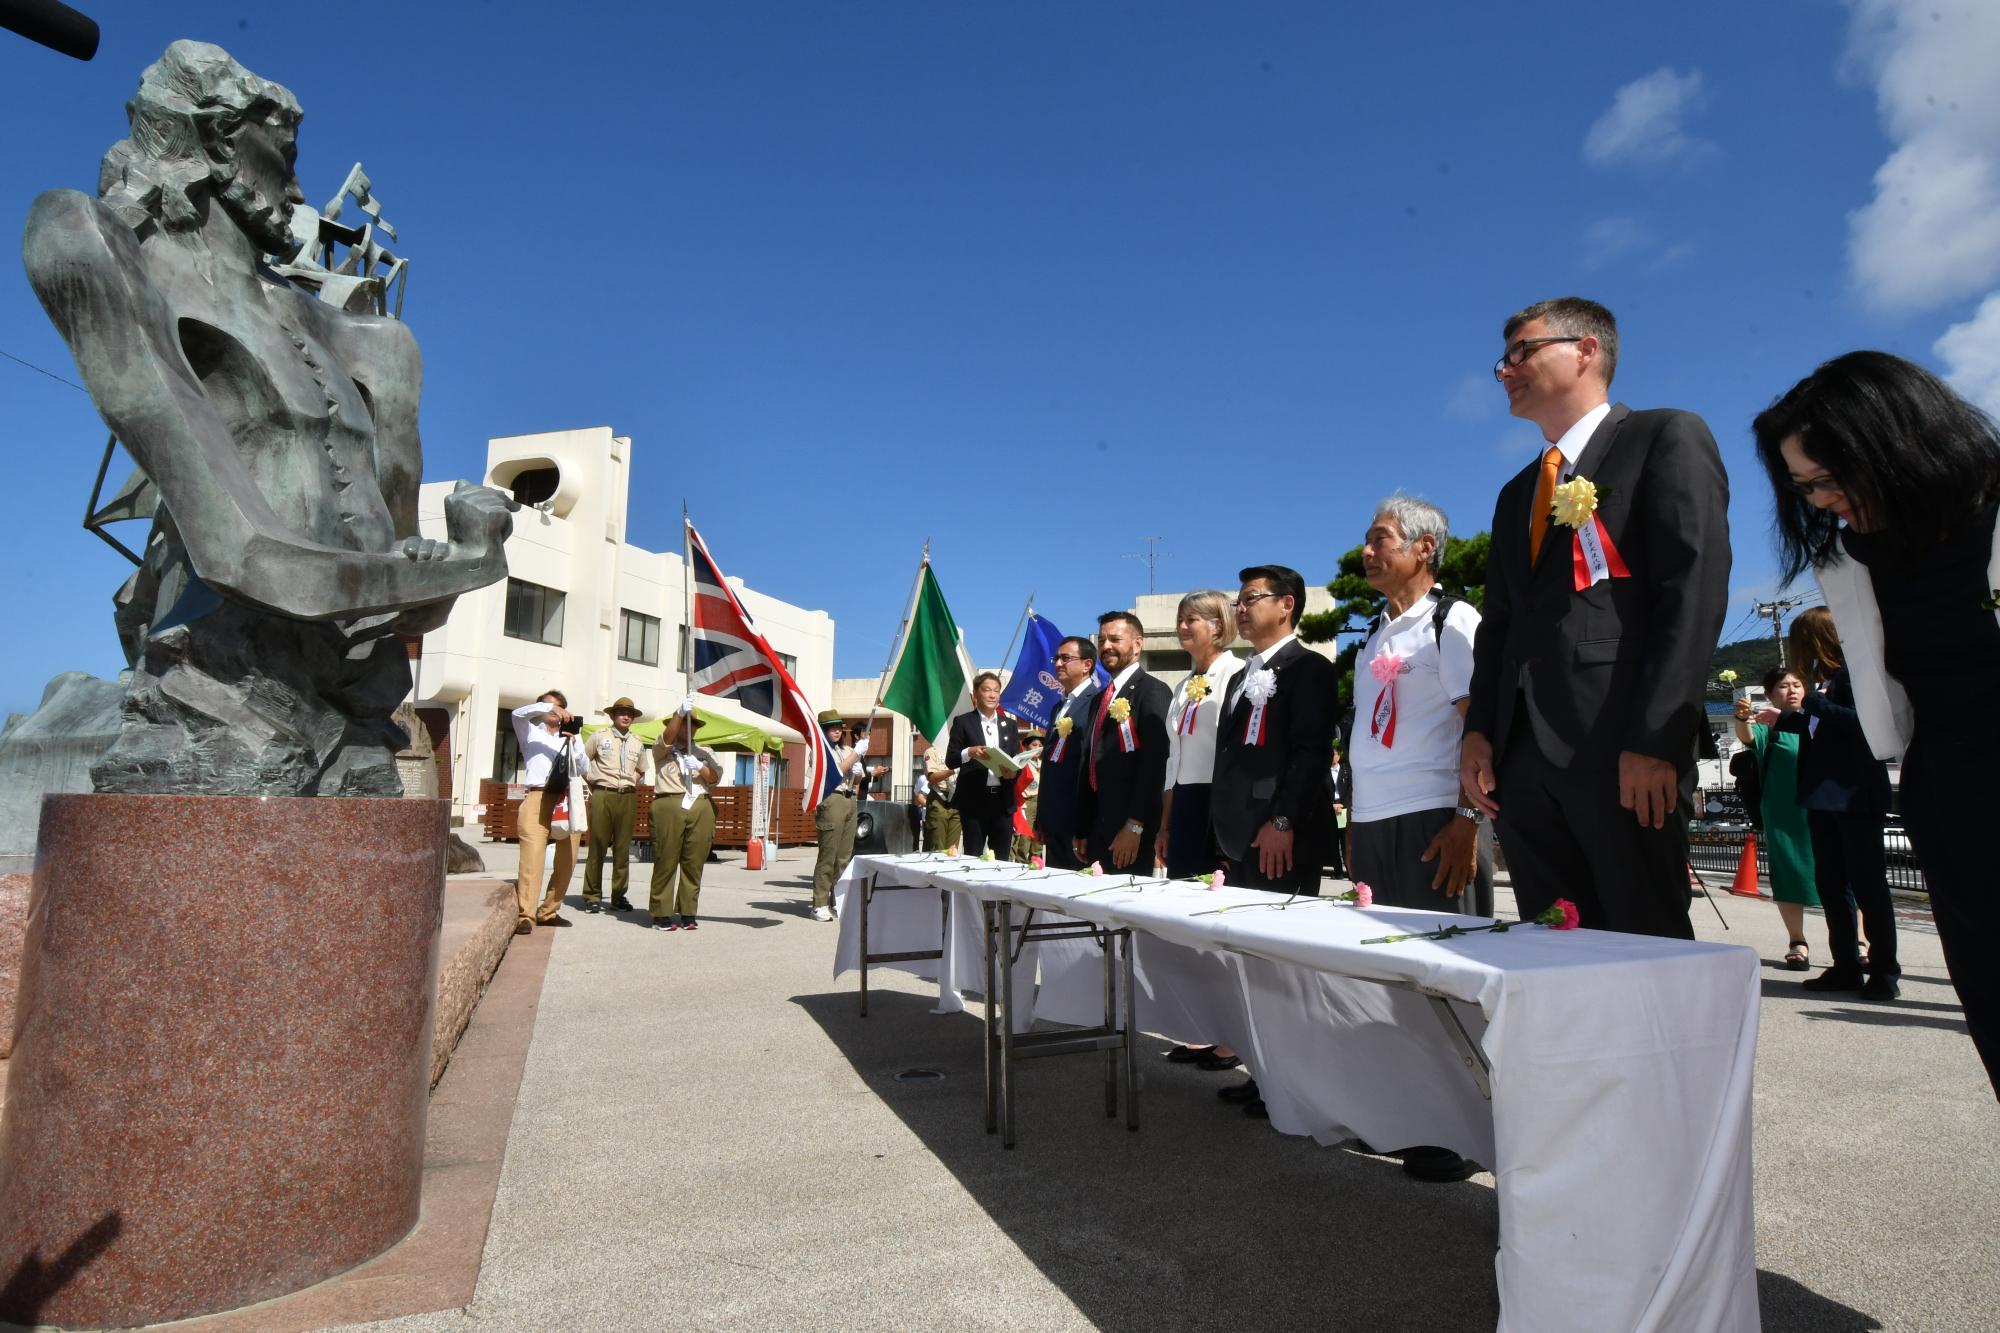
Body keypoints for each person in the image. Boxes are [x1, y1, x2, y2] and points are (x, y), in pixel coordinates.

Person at [24, 41, 516, 796]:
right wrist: (472, 559)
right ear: (218, 142)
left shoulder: (371, 341)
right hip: (227, 664)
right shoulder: (109, 255)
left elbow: (406, 599)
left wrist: (452, 563)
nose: (295, 182)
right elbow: (241, 552)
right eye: (281, 151)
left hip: (350, 681)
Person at [1752, 351, 2000, 1092]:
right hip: (1952, 794)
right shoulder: (1851, 555)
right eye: (1804, 488)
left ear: (1895, 442)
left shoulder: (1988, 510)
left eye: (1829, 477)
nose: (1820, 500)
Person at [1461, 297, 1731, 939]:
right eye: (1503, 360)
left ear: (1586, 349)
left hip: (1621, 752)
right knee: (1553, 943)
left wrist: (1656, 740)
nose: (1506, 371)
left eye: (1521, 352)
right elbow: (1499, 623)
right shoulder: (1516, 492)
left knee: (1644, 939)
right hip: (1522, 761)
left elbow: (1691, 592)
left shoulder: (1663, 437)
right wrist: (1479, 733)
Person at [1209, 566, 1342, 1119]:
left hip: (1279, 837)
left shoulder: (1309, 668)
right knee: (1249, 965)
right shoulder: (1242, 676)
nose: (1239, 609)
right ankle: (1263, 1071)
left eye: (1250, 599)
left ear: (1286, 605)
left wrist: (1283, 820)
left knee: (1282, 967)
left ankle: (1297, 1084)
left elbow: (1311, 753)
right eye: (1238, 600)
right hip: (1238, 837)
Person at [1348, 496, 1493, 921]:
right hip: (1373, 820)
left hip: (1435, 817)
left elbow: (1479, 727)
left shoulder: (1451, 619)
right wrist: (1356, 823)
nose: (1367, 552)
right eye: (1366, 542)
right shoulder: (1372, 636)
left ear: (1424, 547)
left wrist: (1467, 820)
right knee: (1385, 964)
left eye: (1381, 540)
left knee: (1446, 964)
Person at [1762, 609, 1900, 998]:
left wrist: (1813, 704)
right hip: (1821, 796)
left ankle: (1885, 971)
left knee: (1869, 886)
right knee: (1831, 885)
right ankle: (1845, 966)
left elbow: (1862, 724)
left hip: (1855, 794)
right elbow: (1820, 729)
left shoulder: (1855, 675)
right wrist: (1786, 718)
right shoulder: (1820, 682)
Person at [1732, 667, 1819, 970]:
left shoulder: (1821, 719)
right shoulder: (1769, 725)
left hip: (1825, 810)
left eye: (1797, 684)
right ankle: (1798, 940)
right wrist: (1742, 718)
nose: (1792, 690)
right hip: (1784, 813)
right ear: (1769, 694)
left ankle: (1858, 941)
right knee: (1788, 875)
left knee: (1845, 875)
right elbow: (1746, 736)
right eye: (1783, 686)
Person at [1156, 590, 1244, 880]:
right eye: (1179, 620)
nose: (1181, 627)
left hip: (1221, 801)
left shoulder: (1239, 674)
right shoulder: (1182, 686)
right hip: (1184, 802)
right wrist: (1165, 825)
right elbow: (1174, 759)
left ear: (1217, 625)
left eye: (1190, 619)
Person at [1073, 613, 1171, 871]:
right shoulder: (1099, 699)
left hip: (1129, 831)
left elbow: (1154, 764)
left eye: (1115, 639)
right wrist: (1083, 827)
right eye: (1102, 639)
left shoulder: (1152, 691)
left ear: (1138, 644)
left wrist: (1135, 825)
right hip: (1097, 829)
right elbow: (1091, 760)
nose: (1106, 646)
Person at [649, 701, 722, 931]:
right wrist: (679, 714)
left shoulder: (705, 751)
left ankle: (688, 911)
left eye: (693, 725)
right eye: (684, 723)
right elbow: (667, 737)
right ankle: (661, 912)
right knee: (666, 859)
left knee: (694, 862)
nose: (689, 728)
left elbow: (714, 777)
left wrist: (700, 766)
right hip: (670, 801)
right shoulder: (663, 748)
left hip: (700, 803)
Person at [510, 691, 580, 935]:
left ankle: (549, 910)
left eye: (560, 706)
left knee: (568, 857)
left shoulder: (572, 736)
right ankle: (526, 914)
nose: (556, 710)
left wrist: (574, 745)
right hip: (538, 796)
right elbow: (517, 714)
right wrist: (545, 706)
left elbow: (584, 767)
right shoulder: (530, 732)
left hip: (566, 798)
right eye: (551, 705)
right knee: (532, 855)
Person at [1033, 636, 1101, 870]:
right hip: (1054, 820)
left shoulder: (1098, 702)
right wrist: (1042, 817)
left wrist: (1084, 824)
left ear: (1087, 665)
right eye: (1057, 658)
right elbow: (1050, 766)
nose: (1058, 663)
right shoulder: (1058, 707)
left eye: (1066, 658)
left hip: (1078, 821)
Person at [810, 713, 883, 921]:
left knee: (844, 855)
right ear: (823, 731)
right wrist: (855, 756)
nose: (837, 730)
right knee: (828, 854)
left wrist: (859, 769)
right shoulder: (820, 751)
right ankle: (819, 903)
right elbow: (833, 774)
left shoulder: (848, 750)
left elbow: (857, 777)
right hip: (832, 797)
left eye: (839, 727)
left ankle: (838, 899)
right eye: (831, 727)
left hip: (850, 798)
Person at [580, 697, 647, 914]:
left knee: (622, 849)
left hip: (627, 796)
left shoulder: (638, 741)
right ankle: (592, 895)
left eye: (629, 714)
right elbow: (582, 760)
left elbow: (641, 769)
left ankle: (618, 896)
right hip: (603, 794)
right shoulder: (599, 737)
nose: (626, 716)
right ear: (612, 715)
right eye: (621, 712)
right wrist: (594, 781)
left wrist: (629, 781)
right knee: (597, 846)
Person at [945, 672, 1023, 857]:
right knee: (973, 855)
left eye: (996, 691)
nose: (992, 695)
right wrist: (969, 752)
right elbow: (951, 759)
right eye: (987, 690)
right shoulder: (963, 722)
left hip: (1003, 801)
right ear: (975, 694)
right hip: (974, 800)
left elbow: (1016, 758)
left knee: (1001, 858)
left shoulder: (1009, 724)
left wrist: (1014, 772)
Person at [1010, 734, 1045, 863]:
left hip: (1041, 802)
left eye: (1040, 746)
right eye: (1034, 745)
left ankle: (1036, 860)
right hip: (1027, 802)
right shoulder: (1022, 763)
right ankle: (1021, 861)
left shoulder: (1043, 763)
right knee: (1025, 835)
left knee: (1038, 834)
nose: (1037, 748)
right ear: (1025, 747)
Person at [920, 746, 961, 853]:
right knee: (937, 847)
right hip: (939, 799)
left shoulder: (960, 750)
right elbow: (932, 778)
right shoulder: (931, 752)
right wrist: (953, 771)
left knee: (952, 849)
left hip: (956, 800)